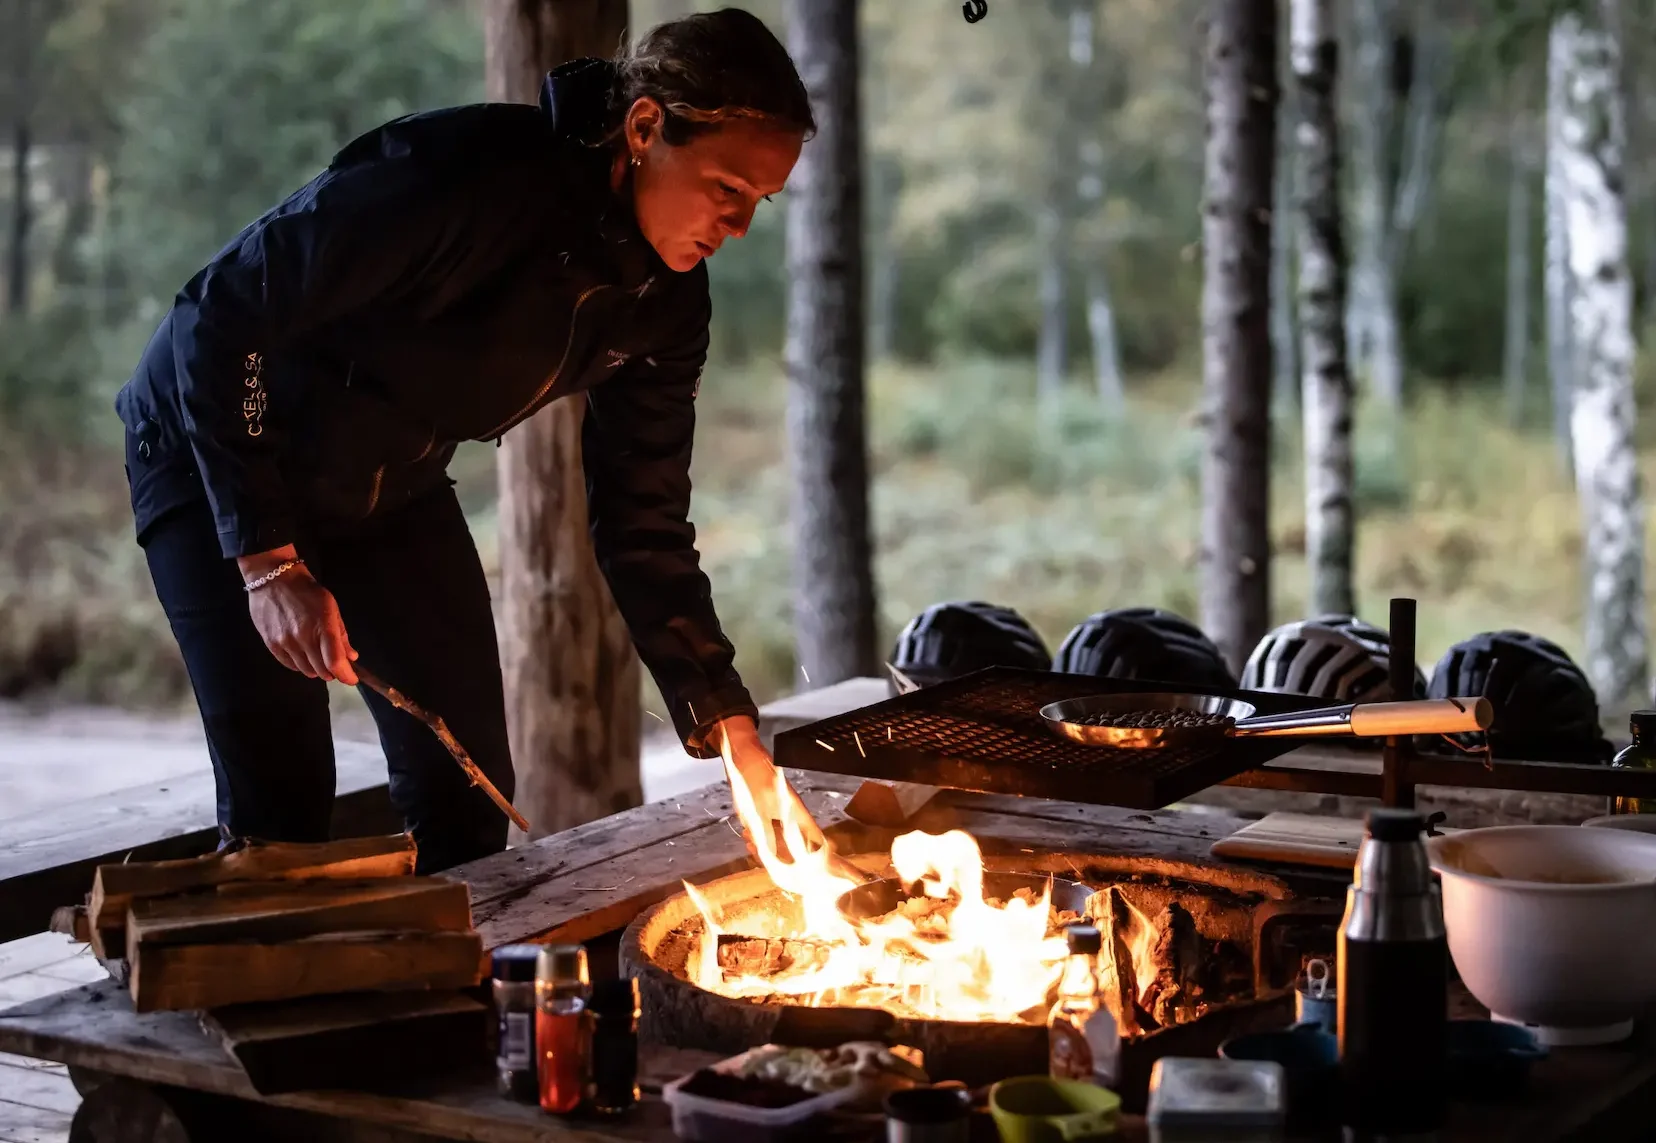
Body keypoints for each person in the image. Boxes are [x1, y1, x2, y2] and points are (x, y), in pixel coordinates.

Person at [114, 9, 828, 874]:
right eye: (727, 189)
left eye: (759, 202)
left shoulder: (666, 308)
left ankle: (453, 1000)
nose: (740, 227)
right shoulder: (463, 180)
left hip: (390, 483)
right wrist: (267, 562)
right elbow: (218, 315)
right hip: (216, 443)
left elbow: (644, 520)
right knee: (284, 814)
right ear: (645, 127)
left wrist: (728, 724)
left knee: (469, 795)